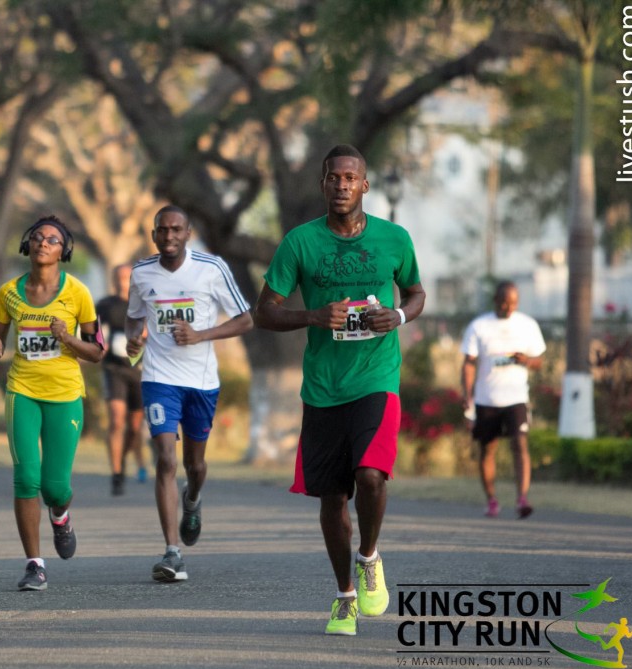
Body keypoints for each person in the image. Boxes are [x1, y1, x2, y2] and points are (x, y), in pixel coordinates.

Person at [254, 144, 425, 637]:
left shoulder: (394, 239)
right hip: (323, 386)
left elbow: (416, 293)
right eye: (334, 177)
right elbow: (264, 312)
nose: (343, 185)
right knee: (332, 497)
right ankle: (345, 596)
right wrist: (312, 315)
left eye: (351, 178)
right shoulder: (300, 242)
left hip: (376, 377)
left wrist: (397, 316)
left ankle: (368, 557)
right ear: (323, 184)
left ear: (364, 185)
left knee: (370, 475)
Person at [125, 205, 253, 583]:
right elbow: (134, 315)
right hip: (158, 378)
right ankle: (172, 552)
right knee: (166, 459)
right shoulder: (141, 272)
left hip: (201, 382)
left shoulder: (211, 268)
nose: (169, 237)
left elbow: (246, 319)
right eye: (162, 230)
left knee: (194, 465)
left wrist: (200, 335)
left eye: (176, 230)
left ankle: (193, 498)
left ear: (188, 233)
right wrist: (134, 338)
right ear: (154, 235)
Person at [0, 215, 103, 591]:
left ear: (63, 250)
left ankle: (61, 515)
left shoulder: (78, 293)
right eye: (37, 237)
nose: (43, 243)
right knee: (26, 478)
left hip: (65, 395)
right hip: (22, 390)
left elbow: (97, 351)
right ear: (27, 244)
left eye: (53, 240)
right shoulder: (9, 292)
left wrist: (68, 338)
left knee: (54, 488)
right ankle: (35, 565)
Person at [460, 281, 545, 519]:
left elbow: (539, 361)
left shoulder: (527, 325)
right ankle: (492, 500)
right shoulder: (479, 326)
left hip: (516, 398)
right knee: (488, 449)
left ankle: (522, 499)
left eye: (514, 303)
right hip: (487, 398)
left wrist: (526, 360)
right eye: (505, 302)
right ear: (496, 300)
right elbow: (469, 363)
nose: (509, 308)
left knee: (520, 444)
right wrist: (467, 395)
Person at [98, 264, 148, 496]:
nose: (122, 281)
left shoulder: (145, 302)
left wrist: (145, 334)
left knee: (135, 427)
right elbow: (95, 330)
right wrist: (100, 343)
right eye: (119, 277)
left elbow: (155, 329)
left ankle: (123, 457)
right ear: (113, 279)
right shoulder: (105, 305)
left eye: (127, 277)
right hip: (114, 368)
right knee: (117, 420)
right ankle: (117, 473)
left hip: (139, 369)